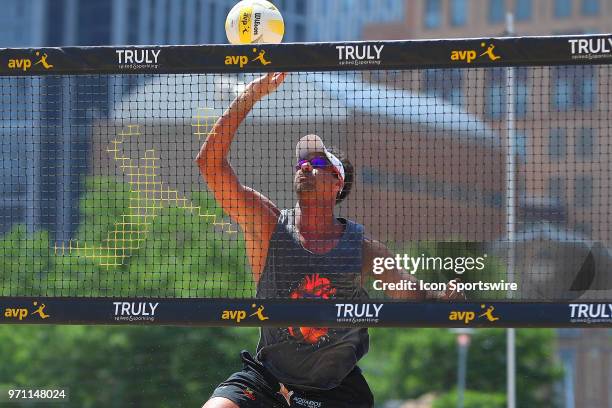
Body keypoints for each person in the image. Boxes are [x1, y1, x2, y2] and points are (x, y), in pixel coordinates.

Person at [197, 72, 464, 408]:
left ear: (337, 182)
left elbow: (408, 292)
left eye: (318, 162)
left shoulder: (363, 249)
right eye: (302, 162)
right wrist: (250, 96)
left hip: (335, 390)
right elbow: (209, 164)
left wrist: (442, 296)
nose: (306, 166)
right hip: (269, 380)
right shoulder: (267, 224)